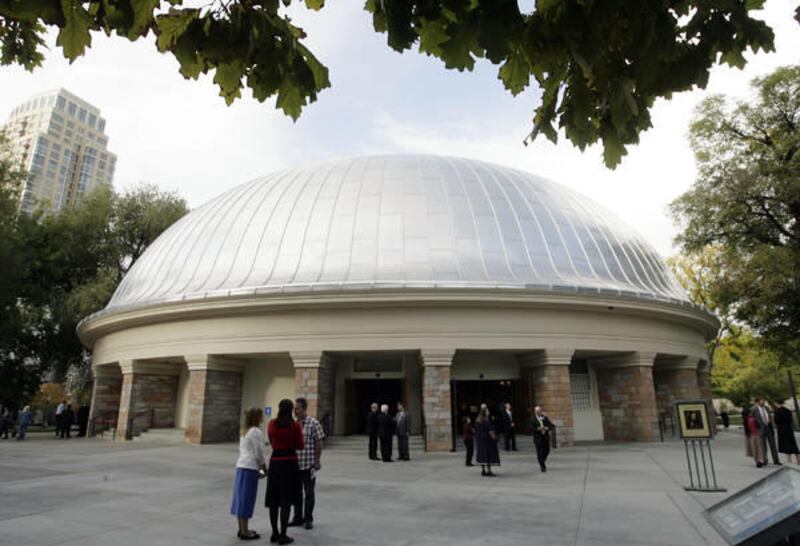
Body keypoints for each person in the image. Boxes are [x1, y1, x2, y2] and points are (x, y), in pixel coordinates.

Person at [265, 399, 304, 545]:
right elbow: (300, 445)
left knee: (273, 500)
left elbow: (271, 440)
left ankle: (274, 533)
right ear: (291, 410)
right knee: (286, 500)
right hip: (290, 462)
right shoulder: (294, 426)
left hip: (275, 461)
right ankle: (283, 534)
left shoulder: (271, 424)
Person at [231, 407, 268, 541]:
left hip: (241, 466)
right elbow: (259, 452)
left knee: (240, 499)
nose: (263, 418)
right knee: (247, 499)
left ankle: (242, 528)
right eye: (261, 415)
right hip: (251, 467)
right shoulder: (256, 432)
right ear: (257, 417)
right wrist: (264, 468)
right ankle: (245, 531)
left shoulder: (244, 431)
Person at [289, 397, 324, 530]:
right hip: (295, 465)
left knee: (309, 492)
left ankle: (308, 519)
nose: (295, 411)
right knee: (296, 493)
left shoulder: (313, 423)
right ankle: (297, 518)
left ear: (304, 408)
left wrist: (317, 460)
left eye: (297, 408)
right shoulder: (293, 424)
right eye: (294, 408)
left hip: (309, 465)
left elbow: (319, 442)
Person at [752, 398, 781, 466]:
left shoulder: (767, 408)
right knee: (763, 446)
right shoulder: (754, 409)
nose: (764, 402)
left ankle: (776, 461)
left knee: (773, 445)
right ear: (758, 402)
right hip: (760, 429)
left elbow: (769, 417)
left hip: (768, 428)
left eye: (764, 401)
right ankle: (764, 460)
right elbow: (752, 419)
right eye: (762, 401)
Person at [475, 404, 500, 476]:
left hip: (480, 440)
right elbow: (490, 430)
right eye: (487, 410)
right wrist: (494, 437)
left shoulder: (478, 420)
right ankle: (489, 470)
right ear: (485, 412)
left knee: (482, 454)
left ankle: (483, 470)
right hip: (487, 440)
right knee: (488, 455)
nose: (488, 412)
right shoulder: (486, 420)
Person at [532, 406, 555, 473]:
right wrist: (538, 429)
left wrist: (547, 428)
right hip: (538, 439)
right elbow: (531, 428)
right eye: (537, 411)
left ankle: (541, 461)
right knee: (540, 452)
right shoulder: (533, 419)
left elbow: (551, 425)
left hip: (545, 438)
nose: (539, 412)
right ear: (535, 412)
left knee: (547, 450)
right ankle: (542, 466)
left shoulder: (545, 418)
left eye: (540, 411)